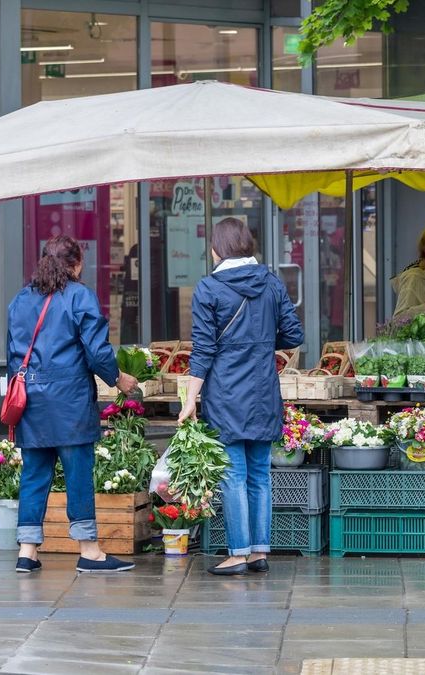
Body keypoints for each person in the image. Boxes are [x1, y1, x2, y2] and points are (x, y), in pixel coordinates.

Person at [178, 218, 304, 576]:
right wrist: (261, 341)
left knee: (233, 475)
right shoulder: (272, 282)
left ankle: (237, 552)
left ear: (218, 248)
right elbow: (294, 334)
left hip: (226, 393)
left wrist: (190, 400)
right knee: (261, 474)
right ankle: (259, 552)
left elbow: (202, 350)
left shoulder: (208, 288)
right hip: (264, 391)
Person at [10, 235, 139, 574]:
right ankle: (90, 550)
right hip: (70, 401)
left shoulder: (20, 300)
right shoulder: (80, 296)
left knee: (35, 473)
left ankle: (27, 551)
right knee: (78, 474)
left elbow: (13, 356)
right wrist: (119, 379)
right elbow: (97, 353)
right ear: (77, 264)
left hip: (31, 402)